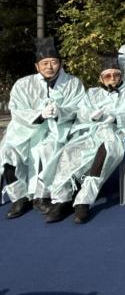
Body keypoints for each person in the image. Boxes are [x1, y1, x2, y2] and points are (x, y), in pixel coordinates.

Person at [41, 54, 125, 223]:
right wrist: (91, 115)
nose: (113, 78)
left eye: (116, 75)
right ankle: (63, 199)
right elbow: (82, 112)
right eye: (108, 75)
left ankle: (83, 201)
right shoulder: (92, 93)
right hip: (92, 132)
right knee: (68, 151)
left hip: (117, 134)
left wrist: (115, 117)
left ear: (121, 75)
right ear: (101, 78)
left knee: (105, 151)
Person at [0, 38, 85, 219]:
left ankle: (44, 196)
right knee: (8, 151)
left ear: (60, 64)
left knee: (48, 149)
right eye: (45, 63)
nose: (50, 67)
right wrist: (39, 114)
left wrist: (61, 112)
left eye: (54, 62)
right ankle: (19, 197)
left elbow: (80, 107)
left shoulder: (72, 83)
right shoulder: (23, 84)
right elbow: (16, 109)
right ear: (37, 66)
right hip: (25, 129)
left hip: (58, 129)